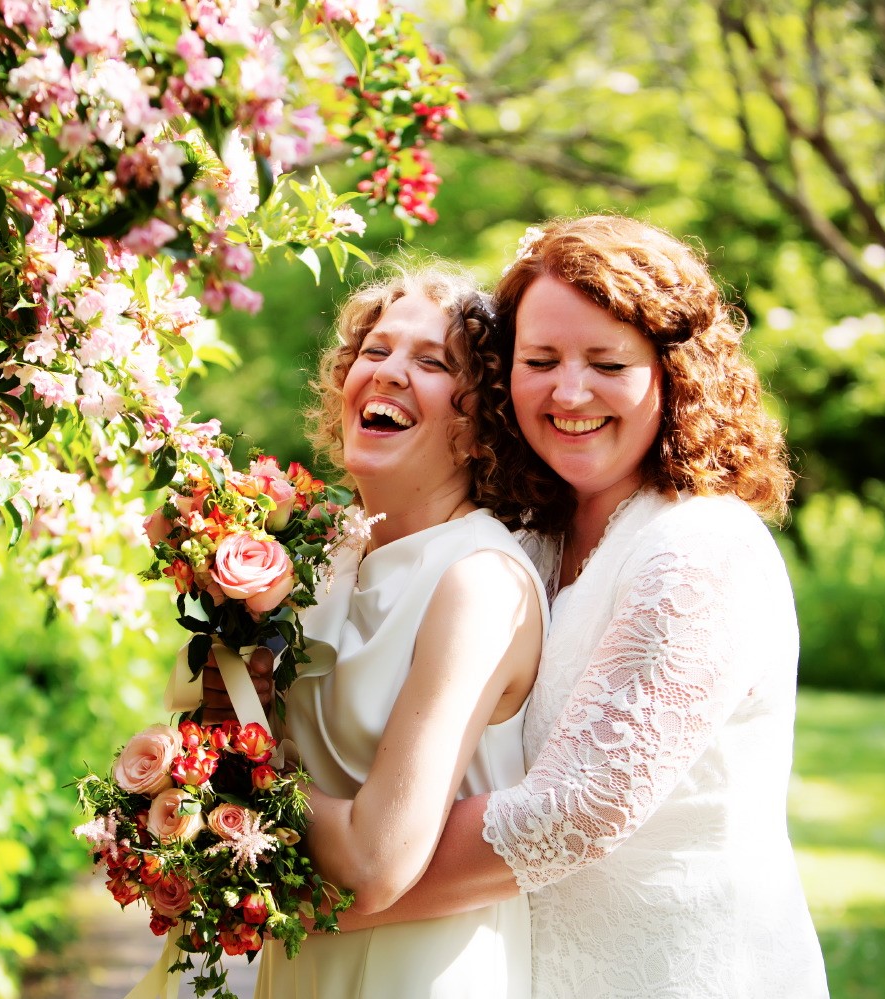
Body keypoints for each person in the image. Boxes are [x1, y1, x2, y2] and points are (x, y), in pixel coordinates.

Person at [277, 215, 829, 998]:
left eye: (607, 362)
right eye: (540, 361)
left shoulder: (703, 547)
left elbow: (572, 812)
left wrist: (296, 891)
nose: (569, 393)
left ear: (676, 374)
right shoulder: (530, 538)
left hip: (675, 971)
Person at [246, 263, 548, 998]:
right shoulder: (324, 556)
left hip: (421, 974)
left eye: (432, 362)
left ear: (485, 424)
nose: (387, 373)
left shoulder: (478, 581)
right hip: (304, 968)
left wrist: (235, 789)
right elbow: (209, 714)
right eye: (375, 351)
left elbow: (376, 860)